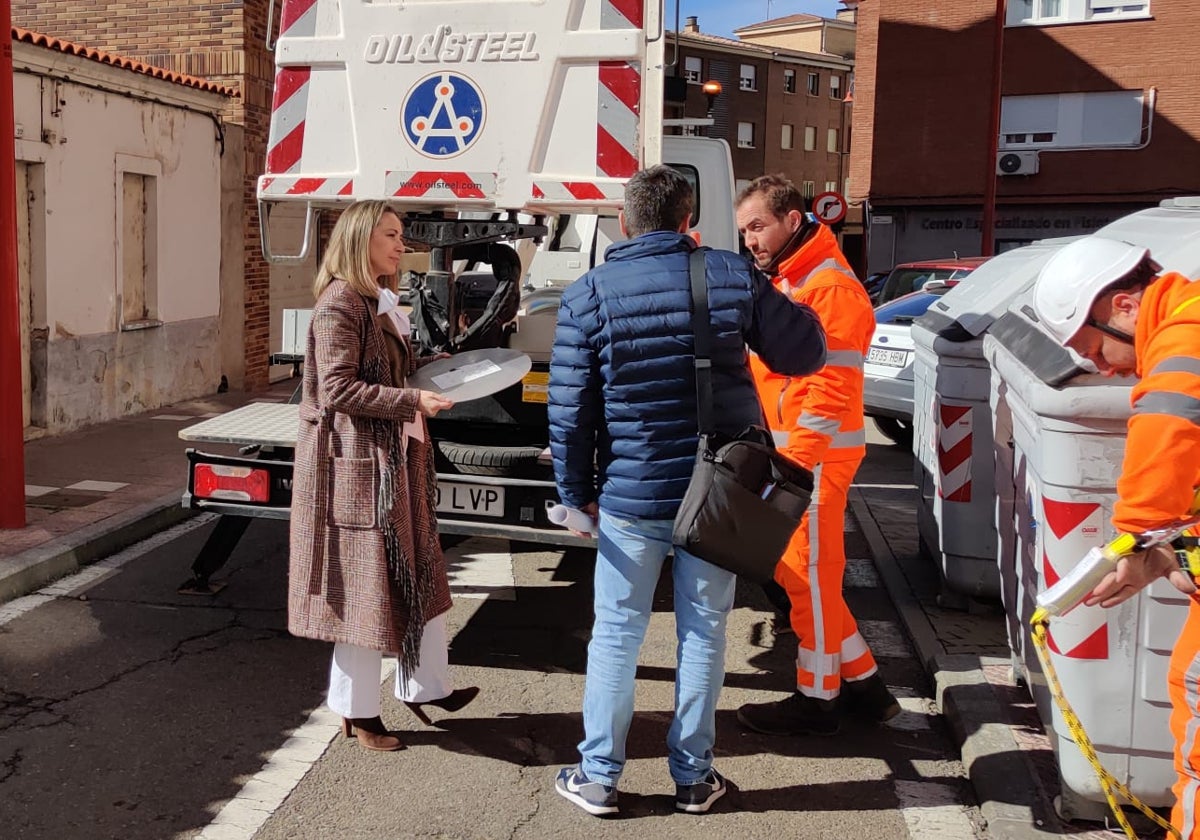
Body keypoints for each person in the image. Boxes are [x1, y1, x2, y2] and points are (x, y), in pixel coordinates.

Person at [548, 165, 827, 817]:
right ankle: (695, 778)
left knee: (617, 632)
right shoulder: (728, 274)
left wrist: (576, 492)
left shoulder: (588, 292)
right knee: (703, 632)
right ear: (687, 221)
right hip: (719, 493)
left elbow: (569, 410)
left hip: (630, 495)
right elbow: (805, 351)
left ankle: (598, 777)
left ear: (623, 223)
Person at [288, 200, 479, 752]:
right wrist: (412, 398)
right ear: (359, 239)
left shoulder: (377, 300)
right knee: (366, 592)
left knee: (420, 572)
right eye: (391, 235)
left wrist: (432, 369)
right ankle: (357, 710)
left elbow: (387, 372)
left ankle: (425, 684)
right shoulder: (339, 305)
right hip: (358, 469)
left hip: (392, 463)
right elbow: (338, 389)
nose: (402, 245)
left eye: (401, 235)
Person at [1030, 236, 1200, 836]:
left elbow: (1163, 453)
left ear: (1125, 306)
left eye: (1093, 346)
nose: (1100, 368)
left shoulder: (1183, 346)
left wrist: (1135, 543)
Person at [734, 174, 900, 737]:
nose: (751, 240)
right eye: (744, 231)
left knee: (810, 579)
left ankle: (818, 699)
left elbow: (830, 386)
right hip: (805, 453)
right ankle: (868, 686)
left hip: (815, 457)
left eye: (758, 226)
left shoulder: (825, 287)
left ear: (793, 219)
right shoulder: (796, 278)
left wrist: (794, 464)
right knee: (803, 576)